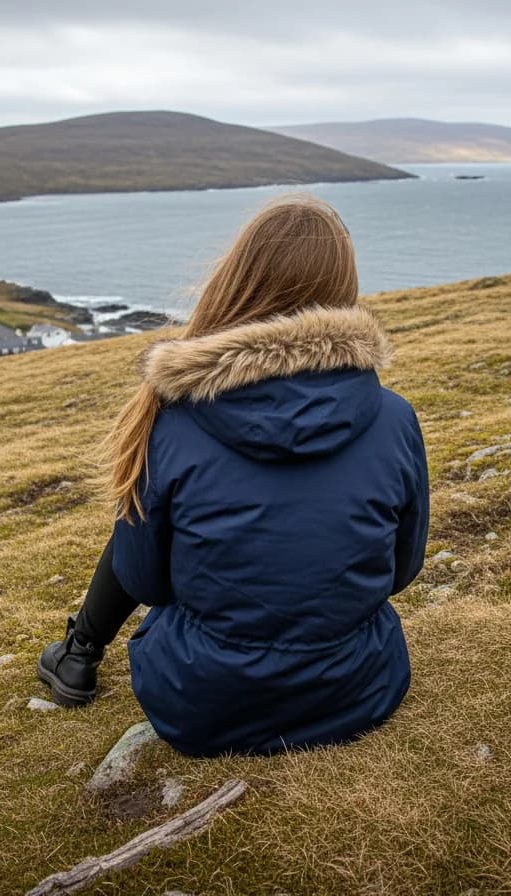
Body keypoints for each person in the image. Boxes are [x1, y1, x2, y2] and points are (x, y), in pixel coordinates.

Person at [37, 194, 430, 757]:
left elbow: (146, 584)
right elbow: (401, 570)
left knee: (147, 520)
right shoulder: (394, 417)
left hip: (202, 701)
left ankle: (78, 653)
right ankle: (79, 651)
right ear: (342, 290)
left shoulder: (173, 422)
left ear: (238, 279)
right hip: (360, 689)